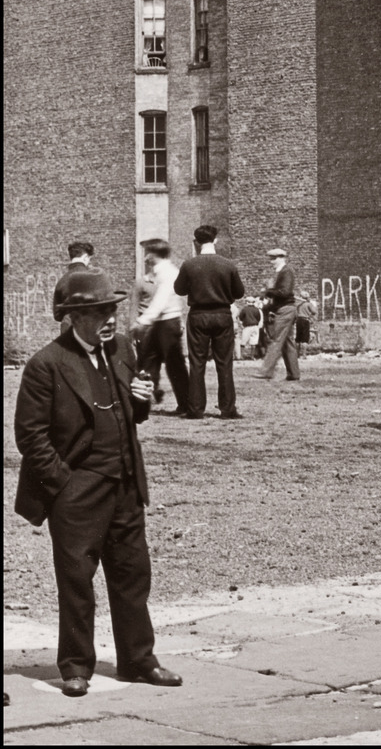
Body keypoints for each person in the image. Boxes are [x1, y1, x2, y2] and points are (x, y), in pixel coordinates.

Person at [13, 266, 183, 697]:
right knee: (76, 581)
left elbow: (128, 414)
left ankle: (138, 660)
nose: (110, 318)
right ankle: (75, 666)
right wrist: (64, 485)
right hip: (77, 491)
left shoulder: (122, 349)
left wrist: (141, 402)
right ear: (74, 317)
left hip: (125, 485)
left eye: (112, 309)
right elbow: (30, 436)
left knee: (132, 576)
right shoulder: (46, 365)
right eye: (100, 311)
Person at [173, 225, 245, 420]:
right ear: (215, 241)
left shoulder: (189, 265)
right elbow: (239, 292)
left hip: (198, 315)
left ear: (196, 242)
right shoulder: (228, 265)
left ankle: (195, 409)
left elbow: (179, 289)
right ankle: (228, 408)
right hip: (222, 315)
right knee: (224, 363)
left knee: (197, 363)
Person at [133, 243, 190, 413]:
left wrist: (144, 320)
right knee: (148, 360)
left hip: (167, 322)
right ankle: (144, 401)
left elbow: (161, 300)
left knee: (174, 363)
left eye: (147, 252)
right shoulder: (162, 271)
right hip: (160, 322)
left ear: (153, 254)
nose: (145, 257)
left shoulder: (167, 272)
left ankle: (186, 404)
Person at [258, 247, 301, 384]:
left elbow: (285, 292)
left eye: (274, 258)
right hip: (285, 309)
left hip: (285, 310)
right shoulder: (283, 272)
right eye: (271, 258)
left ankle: (266, 371)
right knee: (287, 342)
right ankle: (293, 373)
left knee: (276, 340)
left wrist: (268, 292)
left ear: (282, 258)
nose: (272, 262)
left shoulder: (286, 271)